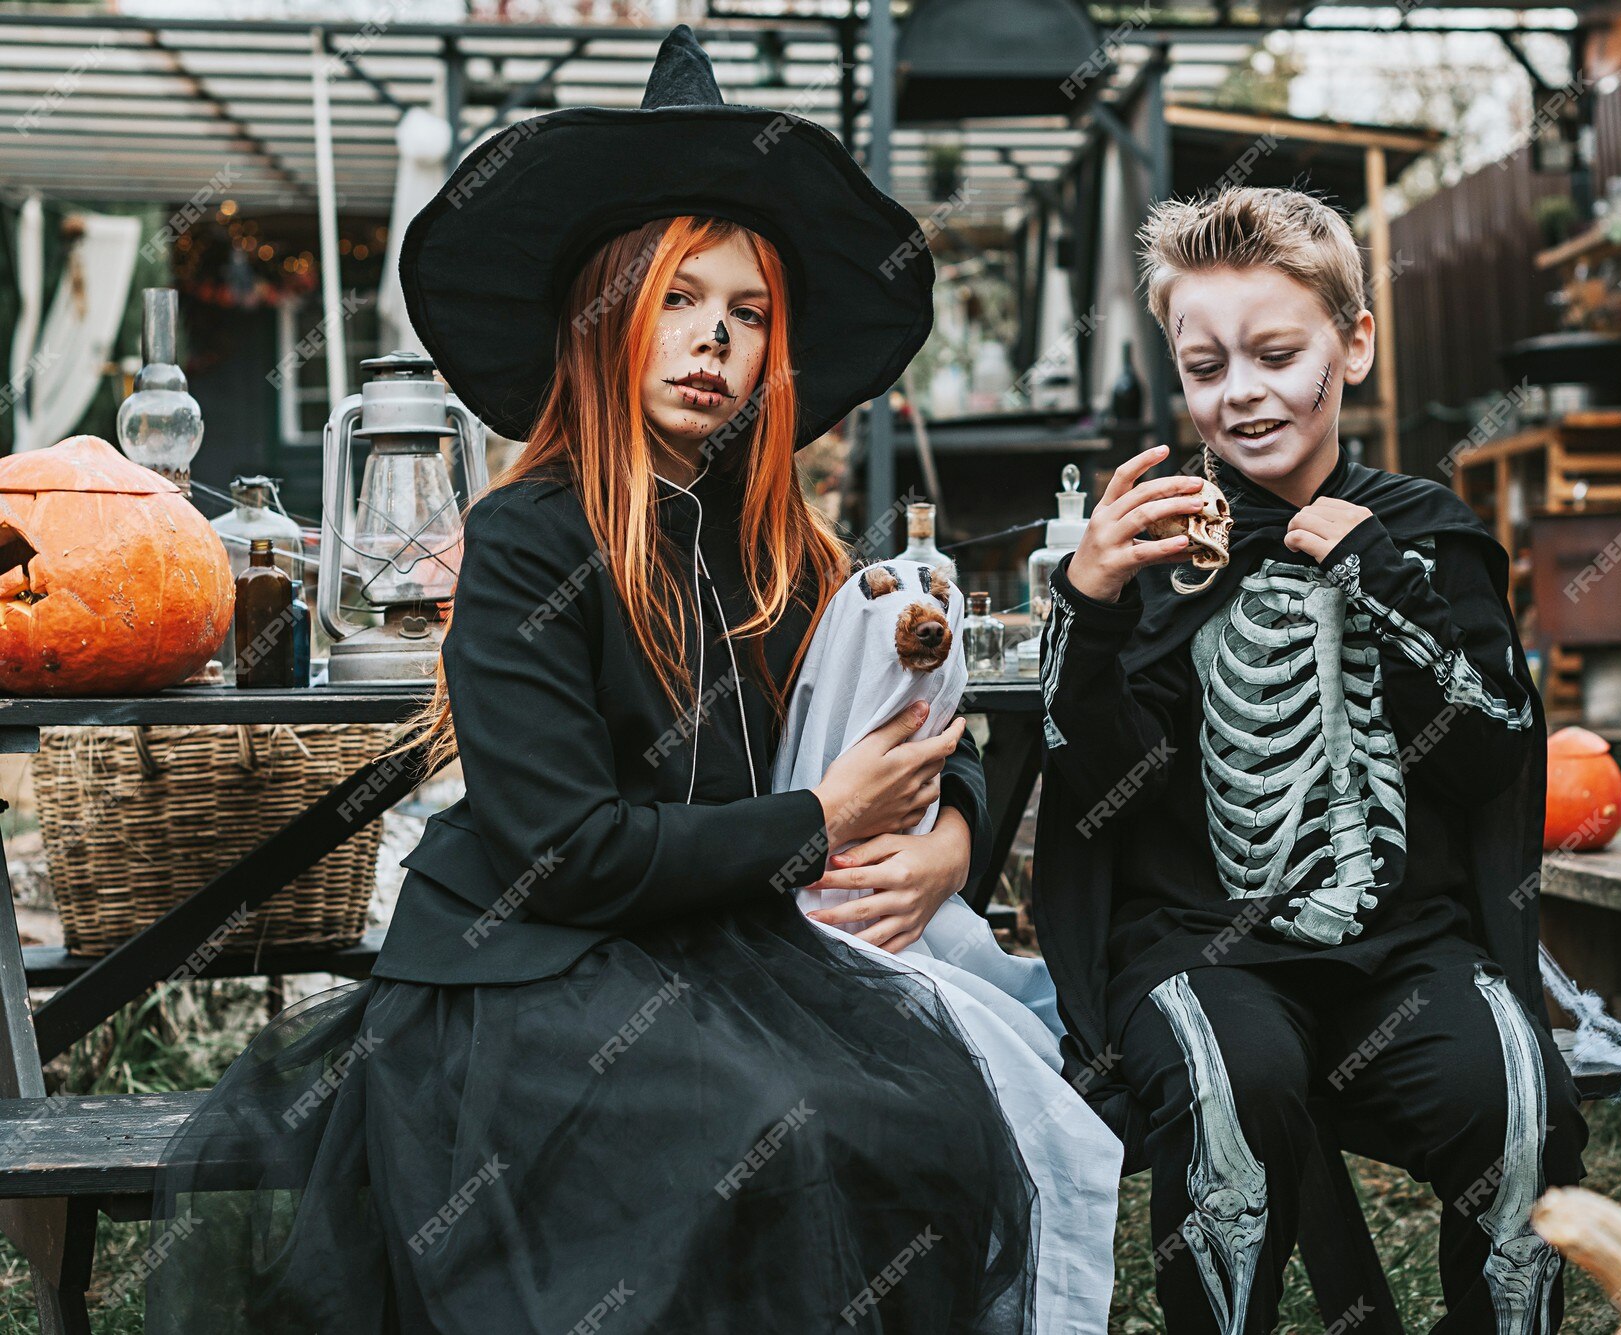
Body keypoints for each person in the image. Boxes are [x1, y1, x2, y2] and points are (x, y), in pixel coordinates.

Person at [143, 28, 1071, 1335]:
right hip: (535, 971)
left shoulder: (786, 553)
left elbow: (909, 722)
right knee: (752, 1138)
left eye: (747, 313)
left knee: (897, 1116)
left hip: (731, 953)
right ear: (606, 319)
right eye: (679, 298)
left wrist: (951, 833)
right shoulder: (531, 540)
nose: (713, 341)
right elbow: (569, 849)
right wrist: (818, 822)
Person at [1031, 185, 1588, 1335]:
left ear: (1354, 343)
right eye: (1203, 365)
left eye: (1276, 353)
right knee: (1230, 1094)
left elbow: (1492, 757)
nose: (1239, 393)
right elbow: (1094, 780)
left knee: (1521, 1101)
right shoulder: (1147, 553)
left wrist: (1387, 584)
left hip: (1402, 951)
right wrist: (1084, 606)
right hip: (1203, 947)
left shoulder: (1425, 536)